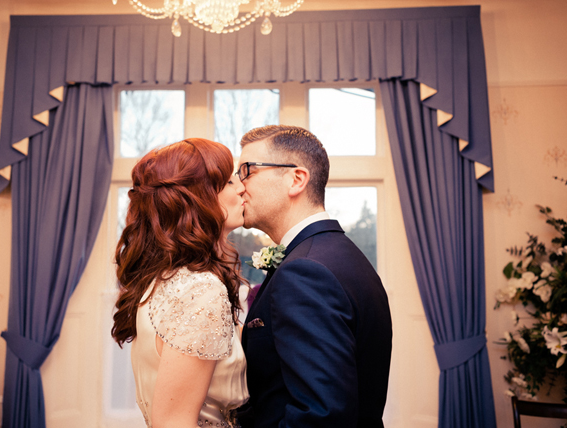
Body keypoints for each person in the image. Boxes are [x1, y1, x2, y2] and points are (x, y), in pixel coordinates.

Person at [237, 125, 392, 428]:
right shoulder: (337, 254)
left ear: (296, 180)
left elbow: (321, 417)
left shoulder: (306, 271)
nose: (240, 186)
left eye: (247, 171)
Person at [112, 138, 249, 428]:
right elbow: (174, 421)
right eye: (226, 182)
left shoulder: (163, 279)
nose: (241, 187)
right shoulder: (201, 290)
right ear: (195, 200)